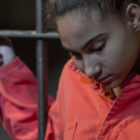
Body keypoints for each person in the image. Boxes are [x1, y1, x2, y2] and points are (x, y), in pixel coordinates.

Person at [1, 0, 140, 140]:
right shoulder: (74, 77)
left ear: (133, 17)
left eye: (98, 47)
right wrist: (7, 68)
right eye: (76, 55)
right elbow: (50, 134)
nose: (90, 70)